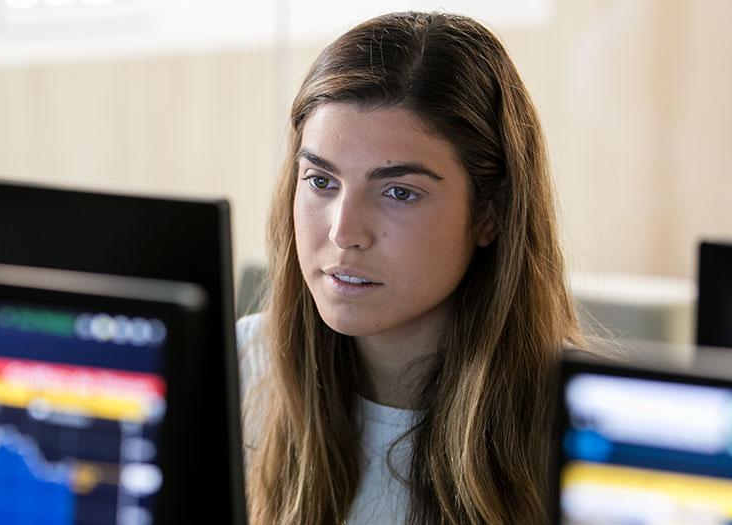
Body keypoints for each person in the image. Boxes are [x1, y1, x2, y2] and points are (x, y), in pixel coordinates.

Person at [238, 11, 591, 525]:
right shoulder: (243, 366)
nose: (343, 232)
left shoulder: (583, 427)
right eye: (321, 181)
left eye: (399, 192)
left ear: (490, 212)